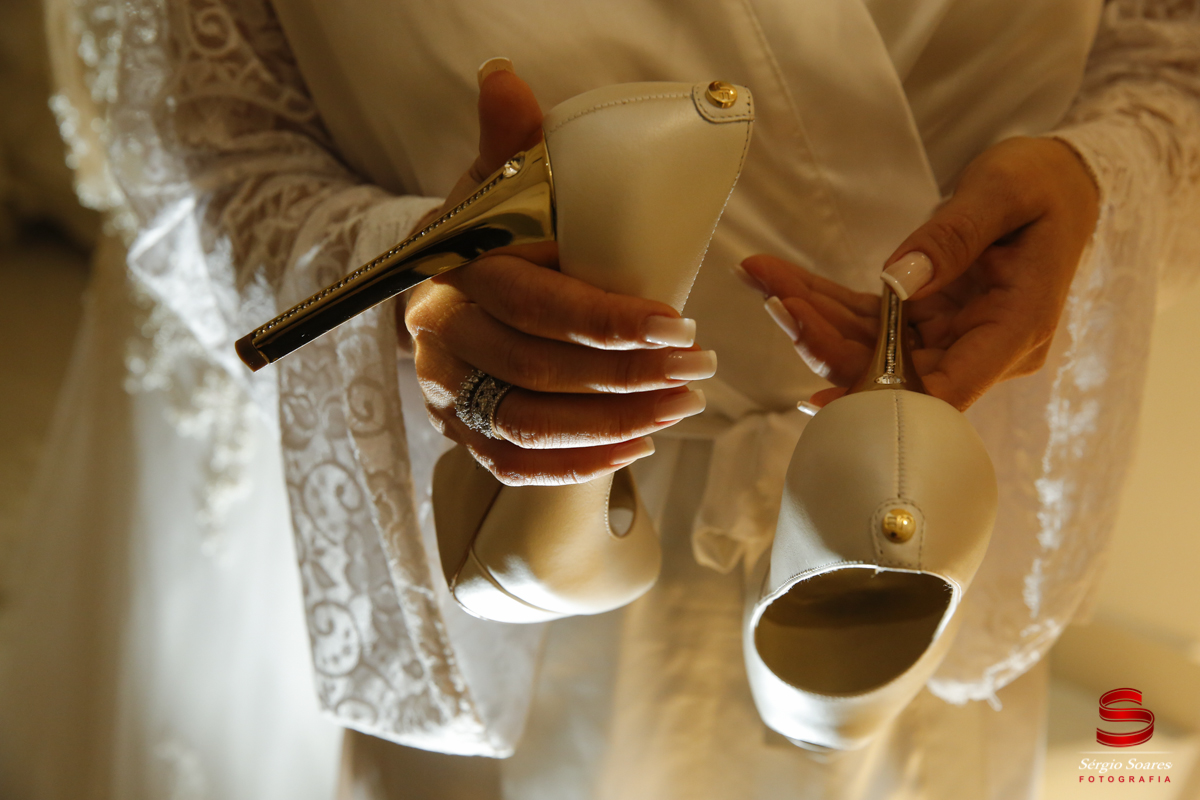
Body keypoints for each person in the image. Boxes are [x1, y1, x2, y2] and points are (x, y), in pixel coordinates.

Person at [6, 0, 1200, 798]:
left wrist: (1097, 181)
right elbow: (191, 152)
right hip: (451, 526)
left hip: (917, 520)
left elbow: (1170, 48)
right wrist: (412, 282)